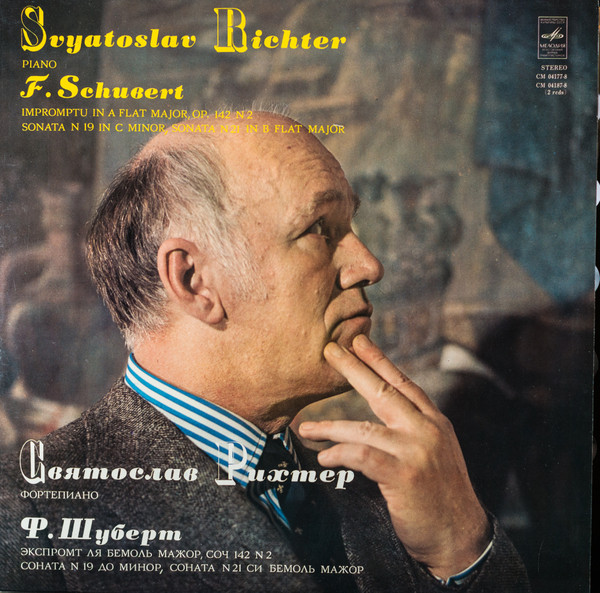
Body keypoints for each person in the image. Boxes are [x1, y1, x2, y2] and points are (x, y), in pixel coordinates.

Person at [0, 111, 530, 592]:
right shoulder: (22, 514)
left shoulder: (390, 499)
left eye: (350, 227)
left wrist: (463, 551)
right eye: (319, 229)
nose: (369, 265)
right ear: (194, 280)